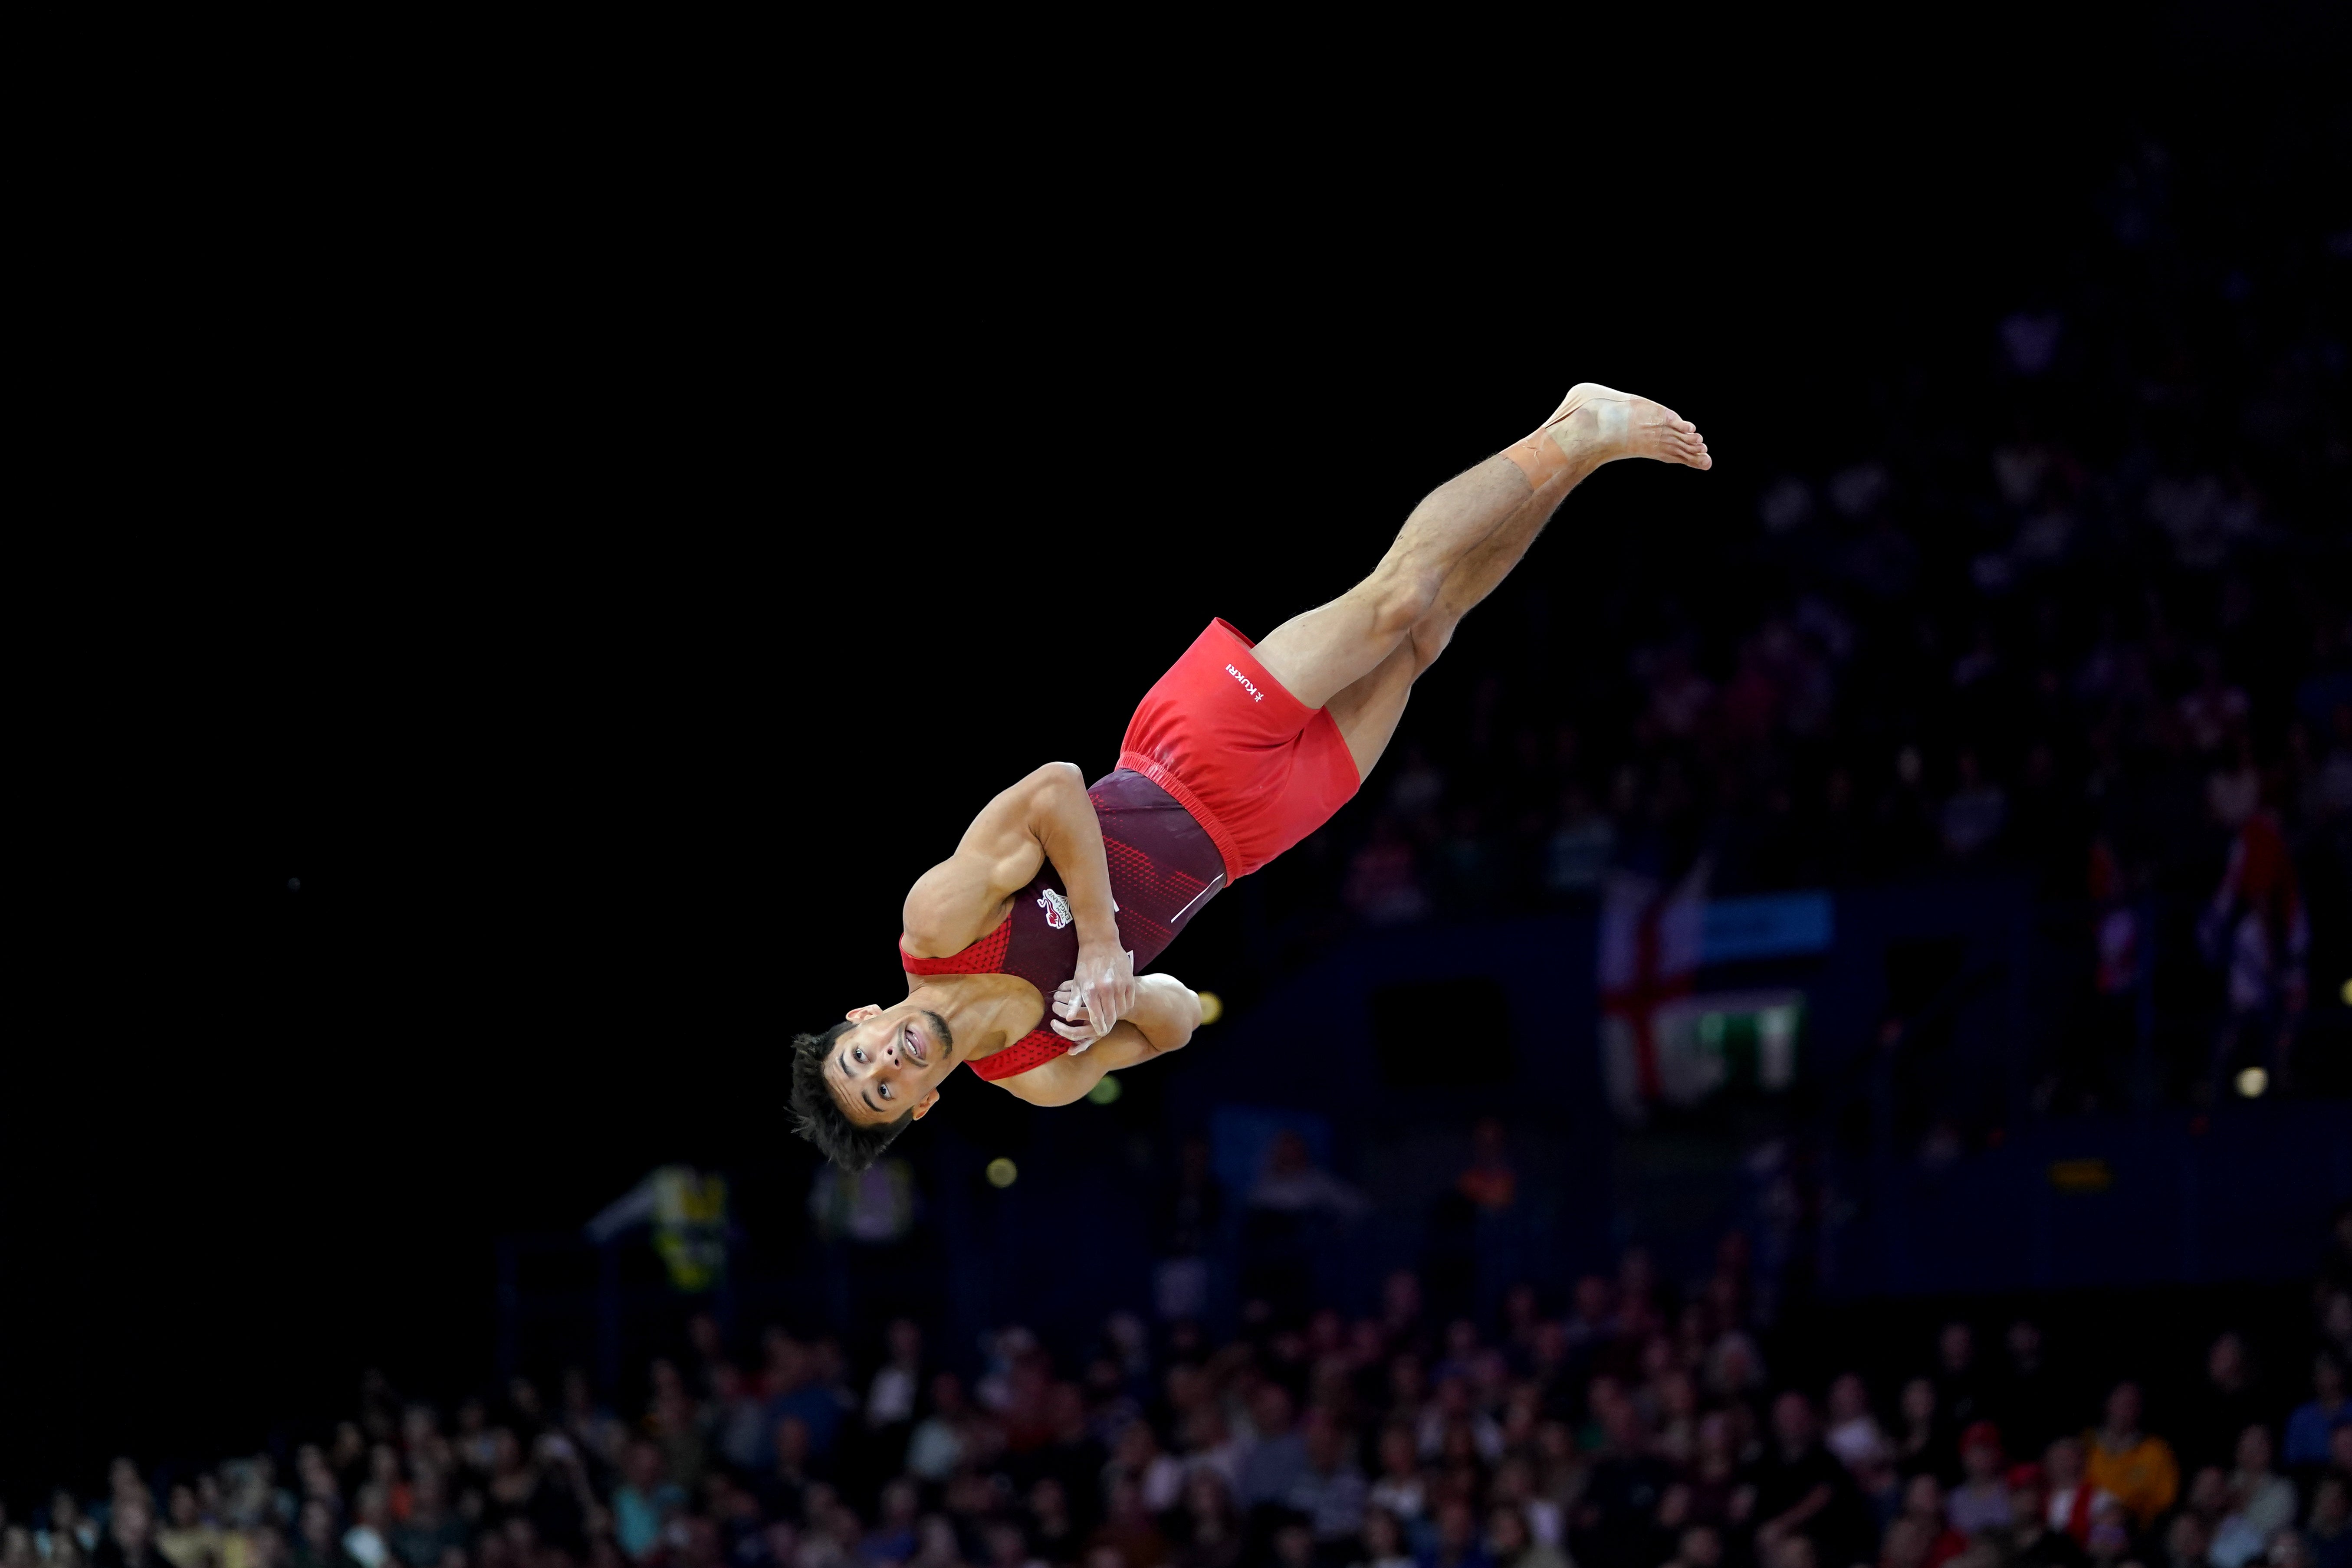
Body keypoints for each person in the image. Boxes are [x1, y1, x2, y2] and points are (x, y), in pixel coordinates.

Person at [785, 384, 1712, 1168]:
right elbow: (1183, 1018)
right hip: (1249, 838)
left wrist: (1102, 943)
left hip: (1184, 753)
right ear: (920, 1108)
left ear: (862, 1015)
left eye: (861, 1053)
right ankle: (1583, 458)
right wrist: (1125, 997)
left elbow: (1054, 786)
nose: (887, 1064)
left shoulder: (938, 926)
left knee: (1396, 599)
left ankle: (1570, 430)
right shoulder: (1037, 1071)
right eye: (882, 1091)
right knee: (1432, 633)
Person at [2082, 1384, 2178, 1529]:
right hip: (2083, 1530)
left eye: (2131, 1404)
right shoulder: (2085, 1444)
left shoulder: (2157, 1452)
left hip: (2133, 1533)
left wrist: (2126, 1516)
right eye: (2120, 1403)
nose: (2124, 1410)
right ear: (2107, 1404)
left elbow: (2165, 1504)